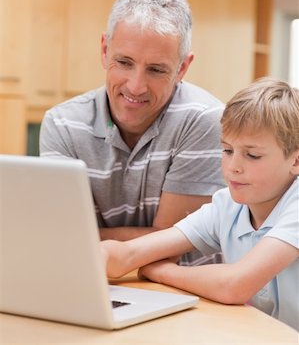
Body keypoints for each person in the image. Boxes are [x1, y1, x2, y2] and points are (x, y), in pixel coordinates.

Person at [39, 0, 225, 265]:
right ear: (104, 50)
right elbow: (62, 234)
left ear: (182, 68)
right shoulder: (63, 123)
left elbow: (172, 244)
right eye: (124, 62)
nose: (136, 87)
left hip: (186, 291)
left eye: (156, 70)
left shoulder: (204, 120)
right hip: (98, 282)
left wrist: (86, 237)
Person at [101, 77, 299, 330]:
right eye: (227, 150)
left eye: (252, 155)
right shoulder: (227, 205)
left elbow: (234, 285)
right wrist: (102, 255)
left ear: (295, 161)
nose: (233, 167)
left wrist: (160, 272)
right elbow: (128, 254)